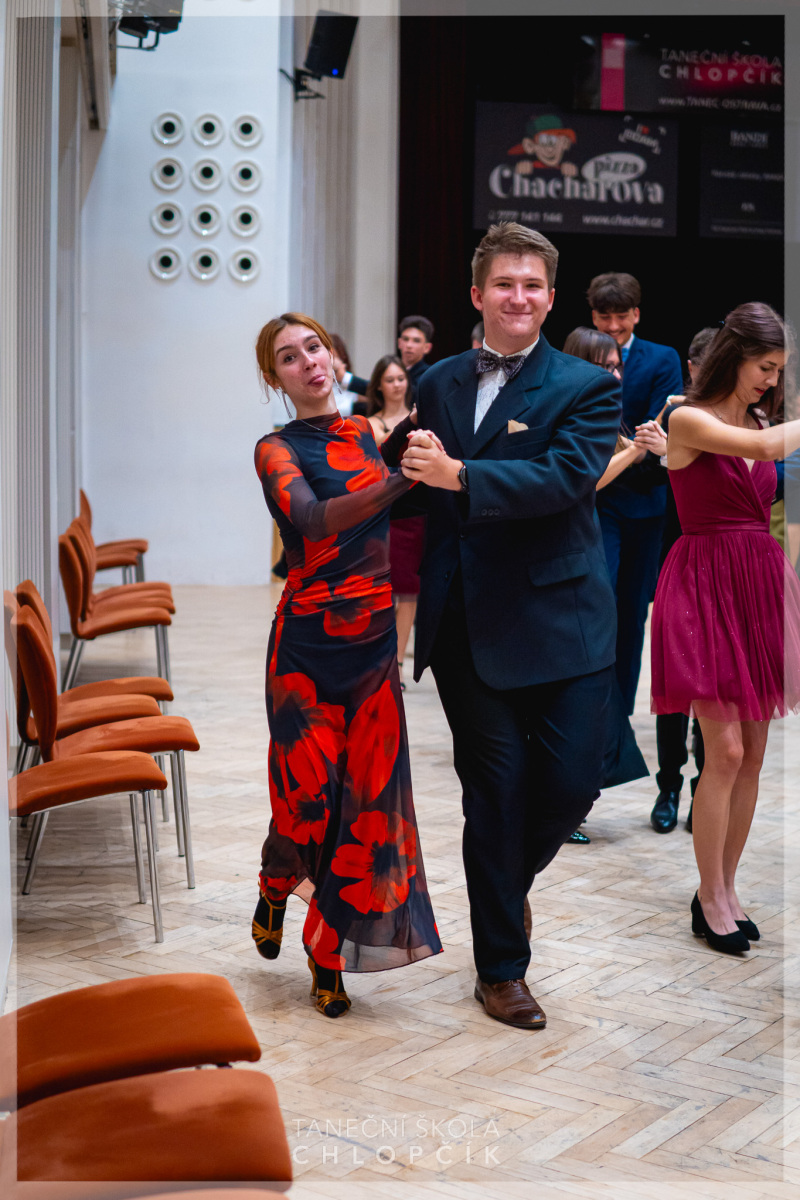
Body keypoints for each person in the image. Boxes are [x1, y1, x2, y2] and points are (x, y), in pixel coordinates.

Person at [387, 222, 621, 1029]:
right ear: (477, 294)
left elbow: (565, 479)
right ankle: (501, 969)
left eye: (532, 285)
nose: (517, 297)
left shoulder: (587, 385)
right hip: (466, 623)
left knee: (572, 786)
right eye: (503, 283)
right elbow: (414, 479)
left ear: (550, 299)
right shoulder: (440, 379)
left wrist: (459, 474)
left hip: (563, 619)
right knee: (495, 794)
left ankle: (502, 889)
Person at [251, 312, 442, 1016]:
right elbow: (313, 519)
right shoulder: (274, 449)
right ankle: (276, 883)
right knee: (305, 807)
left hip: (372, 654)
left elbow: (407, 473)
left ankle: (326, 952)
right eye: (288, 357)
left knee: (363, 814)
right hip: (304, 654)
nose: (307, 361)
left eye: (314, 347)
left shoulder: (364, 434)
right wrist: (399, 482)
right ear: (275, 377)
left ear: (333, 355)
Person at [649, 302, 800, 955]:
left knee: (755, 753)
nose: (771, 379)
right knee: (727, 751)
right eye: (765, 366)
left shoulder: (764, 419)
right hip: (703, 583)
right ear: (735, 356)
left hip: (758, 582)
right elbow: (764, 452)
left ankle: (726, 889)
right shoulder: (687, 417)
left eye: (778, 369)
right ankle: (709, 895)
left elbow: (769, 449)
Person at [561, 326, 650, 845]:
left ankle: (575, 799)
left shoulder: (606, 413)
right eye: (604, 365)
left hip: (590, 553)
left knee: (597, 682)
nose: (614, 374)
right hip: (566, 560)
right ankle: (562, 805)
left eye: (617, 365)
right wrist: (633, 453)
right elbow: (584, 481)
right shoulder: (568, 412)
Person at [588, 272, 683, 714]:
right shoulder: (582, 351)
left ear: (637, 314)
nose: (612, 326)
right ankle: (591, 708)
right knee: (597, 600)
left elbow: (660, 424)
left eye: (621, 316)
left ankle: (620, 715)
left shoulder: (662, 357)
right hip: (596, 499)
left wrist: (633, 451)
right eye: (604, 316)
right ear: (593, 315)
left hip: (645, 501)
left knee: (632, 611)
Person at [637, 326, 718, 834]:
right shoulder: (674, 412)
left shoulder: (742, 420)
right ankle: (668, 785)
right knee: (676, 682)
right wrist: (661, 453)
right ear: (691, 367)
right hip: (677, 554)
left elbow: (772, 481)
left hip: (726, 565)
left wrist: (677, 454)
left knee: (715, 683)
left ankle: (703, 788)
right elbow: (648, 484)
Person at [366, 356, 425, 688]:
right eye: (389, 380)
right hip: (383, 514)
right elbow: (375, 462)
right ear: (378, 386)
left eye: (401, 378)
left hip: (415, 513)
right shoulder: (369, 423)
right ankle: (381, 659)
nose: (397, 385)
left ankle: (399, 662)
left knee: (409, 591)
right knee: (383, 590)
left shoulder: (422, 418)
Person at [398, 315, 434, 403]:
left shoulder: (429, 374)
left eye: (416, 341)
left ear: (427, 347)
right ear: (399, 343)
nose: (409, 345)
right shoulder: (391, 369)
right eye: (405, 339)